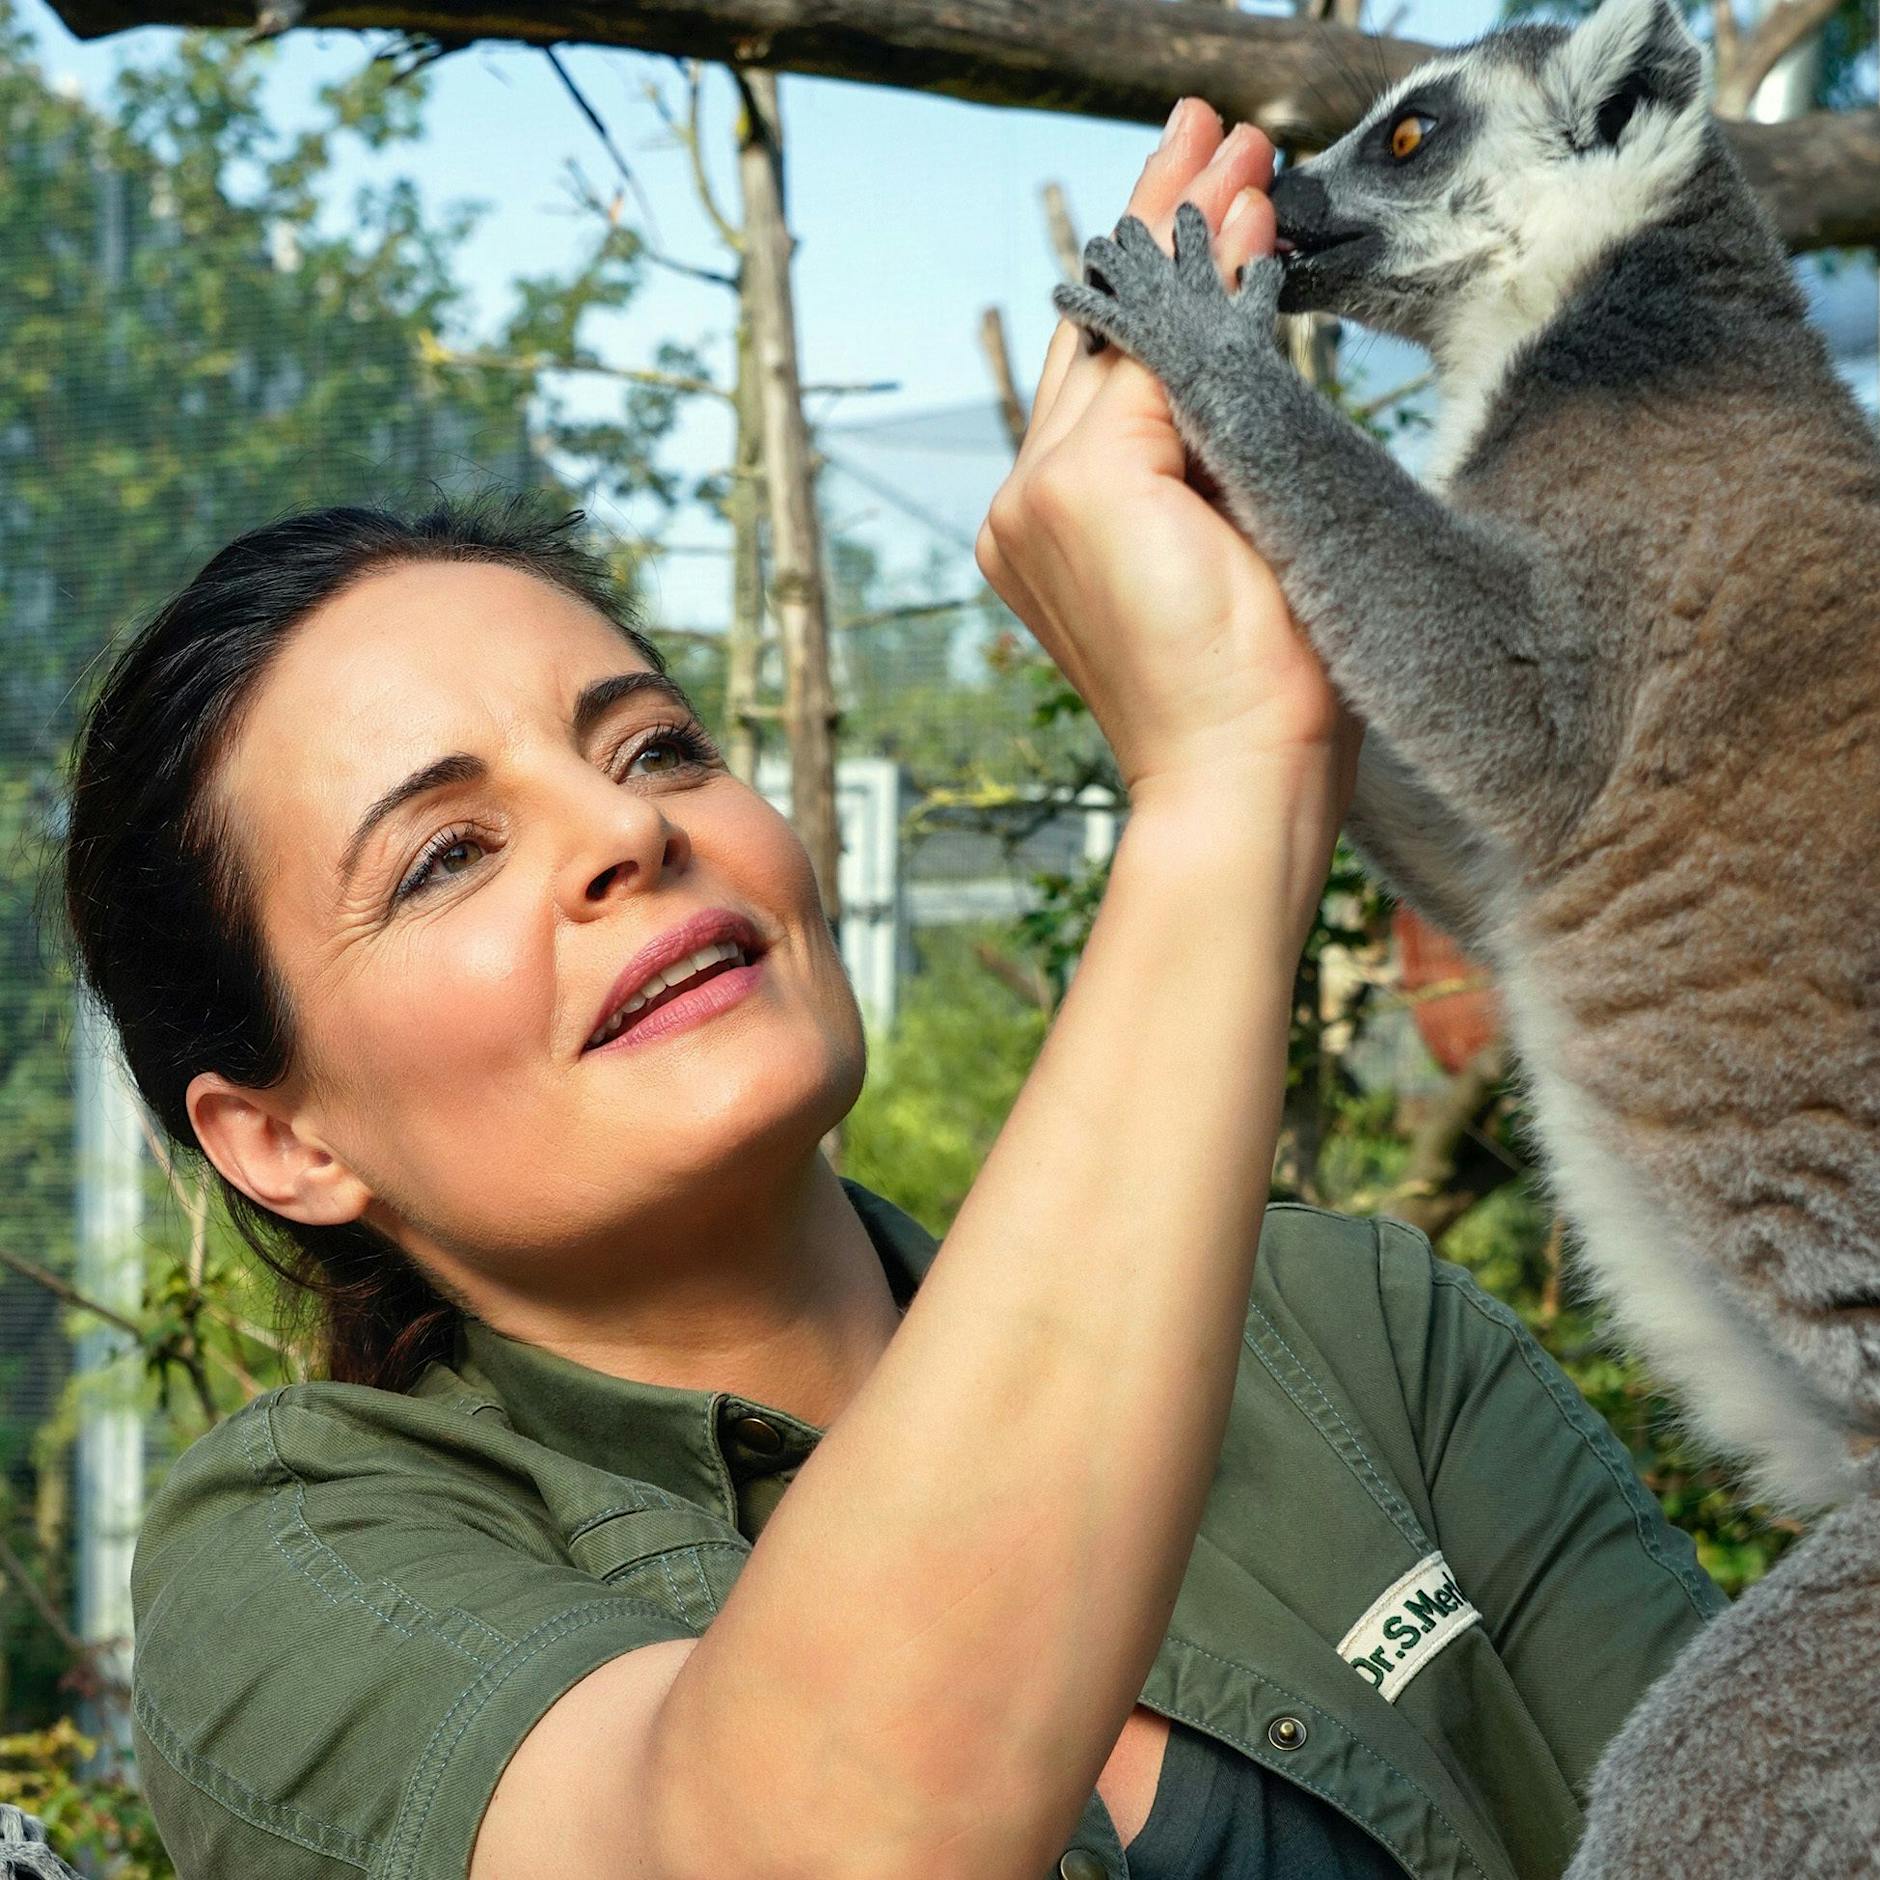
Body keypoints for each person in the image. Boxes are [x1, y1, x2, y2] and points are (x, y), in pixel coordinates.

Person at [62, 105, 1723, 1880]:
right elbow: (801, 1845)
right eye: (446, 855)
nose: (628, 827)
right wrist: (1229, 781)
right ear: (280, 1140)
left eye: (656, 746)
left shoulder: (1342, 1332)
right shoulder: (302, 1566)